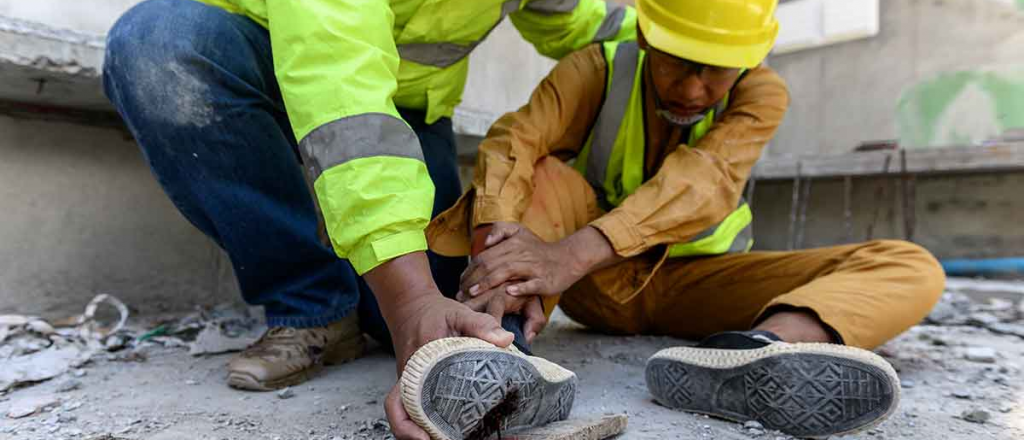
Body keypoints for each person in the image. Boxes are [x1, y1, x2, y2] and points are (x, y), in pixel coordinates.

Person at [101, 0, 635, 437]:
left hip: (406, 110)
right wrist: (409, 299)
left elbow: (578, 19)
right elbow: (341, 85)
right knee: (156, 46)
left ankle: (391, 321)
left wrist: (673, 35)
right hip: (262, 65)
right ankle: (312, 306)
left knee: (449, 307)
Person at [424, 0, 946, 437]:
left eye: (715, 69)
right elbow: (513, 144)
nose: (693, 90)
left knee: (908, 264)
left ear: (748, 58)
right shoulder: (596, 69)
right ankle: (498, 349)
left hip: (693, 286)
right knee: (536, 174)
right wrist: (498, 247)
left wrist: (569, 253)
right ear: (649, 36)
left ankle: (757, 354)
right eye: (678, 62)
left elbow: (702, 182)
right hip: (589, 286)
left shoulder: (761, 94)